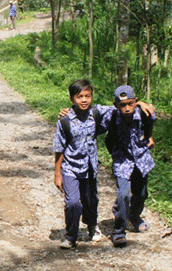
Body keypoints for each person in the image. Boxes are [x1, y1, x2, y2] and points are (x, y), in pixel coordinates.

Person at [52, 80, 154, 249]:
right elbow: (61, 144)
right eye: (79, 97)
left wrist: (141, 104)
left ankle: (114, 220)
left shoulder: (105, 112)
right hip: (93, 164)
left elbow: (135, 112)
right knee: (81, 202)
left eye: (87, 96)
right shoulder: (71, 120)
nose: (84, 100)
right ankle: (82, 235)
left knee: (98, 200)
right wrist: (58, 173)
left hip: (114, 164)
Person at [107, 85, 156, 248]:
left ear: (135, 101)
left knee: (141, 194)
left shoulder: (143, 113)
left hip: (141, 159)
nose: (127, 108)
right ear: (116, 105)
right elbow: (88, 110)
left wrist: (150, 137)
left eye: (130, 104)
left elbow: (151, 119)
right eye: (122, 105)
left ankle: (134, 216)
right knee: (123, 195)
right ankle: (119, 231)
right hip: (122, 160)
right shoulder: (112, 116)